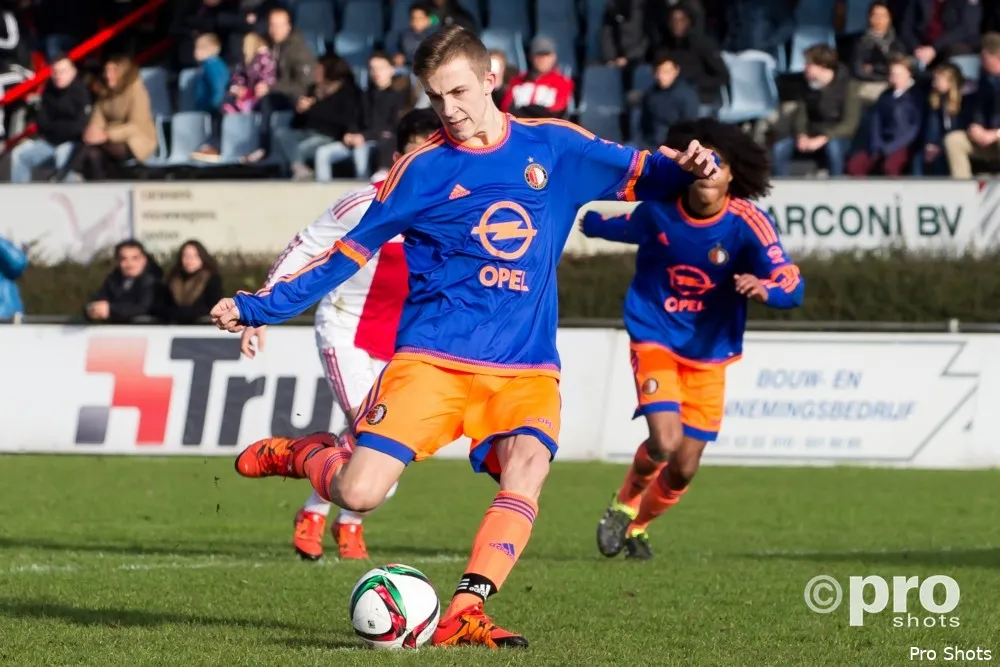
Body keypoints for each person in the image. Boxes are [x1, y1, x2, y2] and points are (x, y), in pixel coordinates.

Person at [211, 26, 719, 649]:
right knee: (361, 492)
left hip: (526, 365)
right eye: (434, 98)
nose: (448, 110)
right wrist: (260, 308)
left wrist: (696, 167)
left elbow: (656, 177)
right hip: (432, 361)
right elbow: (344, 255)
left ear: (490, 79)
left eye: (457, 92)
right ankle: (304, 454)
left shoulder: (556, 147)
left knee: (528, 467)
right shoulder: (420, 171)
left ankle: (466, 611)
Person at [584, 118, 804, 561]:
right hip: (655, 338)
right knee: (664, 441)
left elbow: (790, 280)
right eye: (704, 162)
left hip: (710, 352)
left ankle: (639, 528)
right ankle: (622, 505)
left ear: (731, 177)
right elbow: (619, 228)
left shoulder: (748, 223)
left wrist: (769, 290)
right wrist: (585, 218)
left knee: (683, 468)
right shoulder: (660, 212)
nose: (709, 170)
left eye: (719, 165)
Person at [239, 109, 442, 561]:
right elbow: (306, 246)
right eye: (416, 159)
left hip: (405, 344)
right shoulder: (363, 202)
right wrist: (260, 311)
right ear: (396, 159)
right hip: (346, 329)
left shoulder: (452, 211)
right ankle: (318, 512)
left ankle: (342, 518)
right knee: (372, 435)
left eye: (436, 157)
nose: (425, 170)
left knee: (393, 445)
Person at [85, 240, 162, 323]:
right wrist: (92, 309)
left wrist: (110, 309)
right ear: (118, 261)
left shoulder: (153, 282)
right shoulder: (113, 280)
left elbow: (142, 308)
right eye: (124, 259)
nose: (130, 264)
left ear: (144, 260)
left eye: (135, 258)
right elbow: (97, 299)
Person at [158, 240, 224, 324]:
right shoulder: (173, 279)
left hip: (202, 327)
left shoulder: (211, 279)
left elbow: (213, 307)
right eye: (186, 256)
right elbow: (163, 307)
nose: (190, 260)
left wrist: (186, 314)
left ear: (202, 257)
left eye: (195, 256)